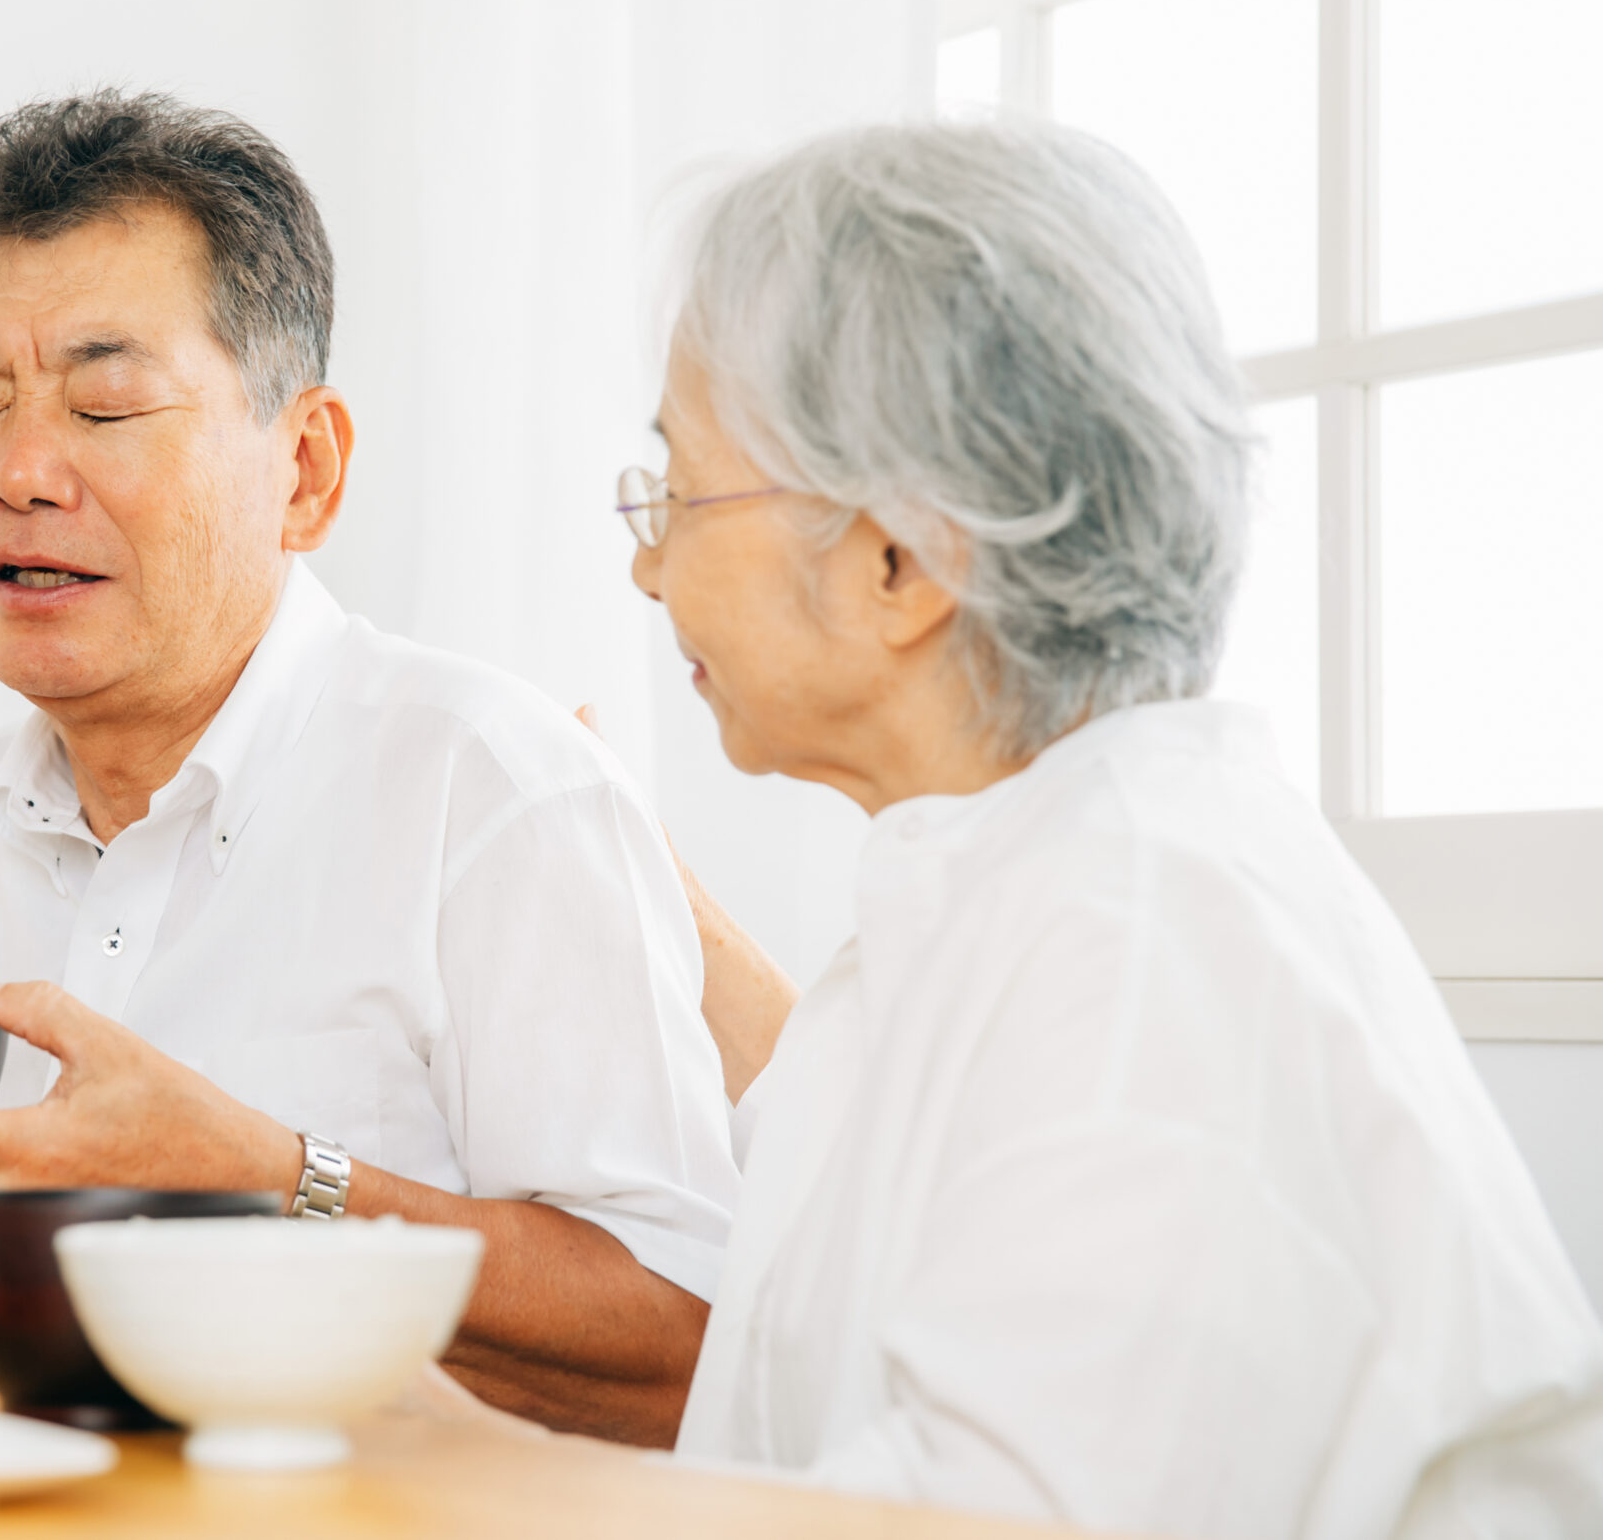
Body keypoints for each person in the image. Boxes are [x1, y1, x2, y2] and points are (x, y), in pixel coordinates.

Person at [0, 90, 739, 1444]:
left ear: (307, 470)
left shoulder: (490, 789)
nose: (21, 470)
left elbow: (690, 1352)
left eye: (105, 404)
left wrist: (277, 1185)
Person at [630, 120, 1603, 1536]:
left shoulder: (1150, 941)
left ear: (898, 560)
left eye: (680, 490)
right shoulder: (1013, 891)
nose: (650, 566)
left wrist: (436, 1468)